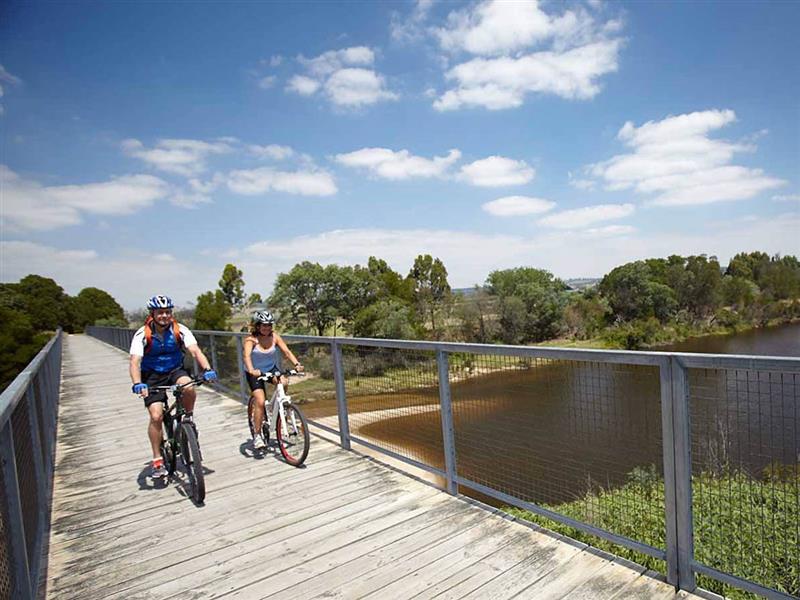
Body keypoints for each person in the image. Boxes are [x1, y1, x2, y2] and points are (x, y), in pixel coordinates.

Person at [129, 295, 217, 478]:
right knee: (156, 416)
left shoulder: (180, 330)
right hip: (152, 376)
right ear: (152, 314)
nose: (164, 316)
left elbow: (195, 351)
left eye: (167, 312)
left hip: (175, 370)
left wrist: (207, 369)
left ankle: (188, 417)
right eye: (160, 312)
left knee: (189, 387)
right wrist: (137, 383)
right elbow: (135, 361)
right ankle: (157, 459)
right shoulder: (142, 334)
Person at [243, 310, 303, 450]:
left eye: (269, 325)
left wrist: (297, 364)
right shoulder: (251, 340)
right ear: (257, 326)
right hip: (255, 372)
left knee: (284, 382)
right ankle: (257, 435)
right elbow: (246, 357)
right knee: (259, 401)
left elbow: (286, 352)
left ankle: (279, 408)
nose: (267, 328)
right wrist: (251, 370)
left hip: (270, 368)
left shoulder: (275, 337)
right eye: (264, 325)